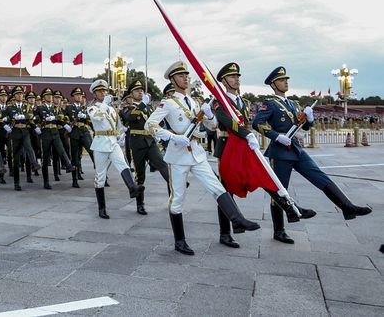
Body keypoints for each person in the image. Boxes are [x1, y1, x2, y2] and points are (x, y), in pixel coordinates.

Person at [145, 61, 260, 255]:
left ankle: (237, 219)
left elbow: (213, 125)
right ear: (173, 80)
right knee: (178, 198)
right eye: (181, 76)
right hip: (178, 156)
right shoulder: (169, 103)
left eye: (187, 76)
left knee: (216, 187)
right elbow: (150, 125)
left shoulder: (196, 102)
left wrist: (208, 116)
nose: (186, 79)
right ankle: (179, 241)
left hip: (196, 153)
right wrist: (173, 137)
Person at [253, 66, 372, 244]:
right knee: (279, 192)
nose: (286, 82)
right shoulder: (269, 103)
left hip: (296, 149)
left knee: (320, 177)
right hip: (280, 153)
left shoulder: (293, 103)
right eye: (282, 80)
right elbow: (257, 122)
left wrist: (309, 119)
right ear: (273, 84)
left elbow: (305, 127)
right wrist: (277, 136)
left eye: (287, 79)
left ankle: (347, 207)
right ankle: (279, 231)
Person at [213, 62, 305, 248]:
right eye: (232, 77)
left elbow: (246, 123)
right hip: (227, 148)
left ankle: (289, 208)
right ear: (223, 80)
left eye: (238, 76)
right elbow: (228, 123)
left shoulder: (244, 102)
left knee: (263, 176)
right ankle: (225, 234)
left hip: (244, 147)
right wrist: (247, 134)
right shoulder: (218, 101)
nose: (236, 79)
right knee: (226, 190)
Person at [87, 79, 144, 219]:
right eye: (99, 91)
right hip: (100, 143)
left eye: (104, 90)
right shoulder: (92, 107)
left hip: (112, 142)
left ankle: (132, 188)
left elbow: (118, 126)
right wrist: (104, 104)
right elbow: (98, 118)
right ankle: (102, 208)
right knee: (100, 176)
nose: (103, 93)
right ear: (94, 94)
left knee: (123, 164)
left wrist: (121, 135)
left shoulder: (112, 109)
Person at [120, 80, 173, 216]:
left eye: (141, 90)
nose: (140, 92)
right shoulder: (129, 107)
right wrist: (142, 103)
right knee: (140, 175)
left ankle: (174, 192)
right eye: (137, 91)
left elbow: (154, 122)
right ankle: (140, 204)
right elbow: (130, 118)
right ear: (131, 94)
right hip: (137, 144)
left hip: (150, 141)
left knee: (162, 165)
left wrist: (158, 135)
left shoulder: (148, 108)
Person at [35, 87, 76, 189]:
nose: (50, 97)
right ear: (44, 97)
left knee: (61, 149)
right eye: (48, 95)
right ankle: (46, 181)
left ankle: (68, 165)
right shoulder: (40, 108)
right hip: (45, 134)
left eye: (51, 96)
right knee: (46, 157)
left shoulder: (55, 108)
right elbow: (35, 119)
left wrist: (60, 121)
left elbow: (61, 117)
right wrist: (38, 125)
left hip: (55, 132)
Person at [64, 87, 93, 186]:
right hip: (75, 132)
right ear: (73, 96)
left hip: (84, 132)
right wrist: (66, 125)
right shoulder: (69, 107)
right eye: (77, 95)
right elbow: (63, 117)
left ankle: (102, 176)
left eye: (80, 95)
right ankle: (74, 180)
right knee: (75, 156)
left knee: (92, 151)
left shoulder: (85, 108)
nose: (79, 97)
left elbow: (91, 118)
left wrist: (86, 116)